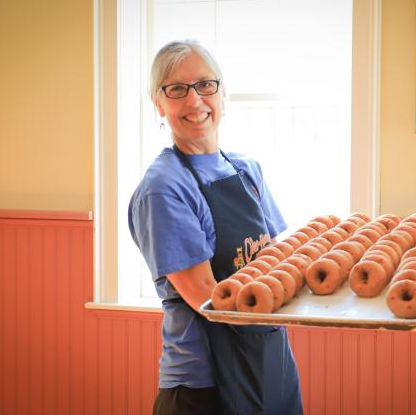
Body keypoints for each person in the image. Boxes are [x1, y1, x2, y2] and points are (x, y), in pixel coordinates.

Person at [128, 40, 303, 415]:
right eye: (176, 89)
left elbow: (276, 263)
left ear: (224, 93)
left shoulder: (246, 170)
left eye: (206, 85)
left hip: (271, 357)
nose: (194, 102)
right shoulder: (164, 188)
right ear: (158, 104)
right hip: (204, 383)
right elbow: (209, 299)